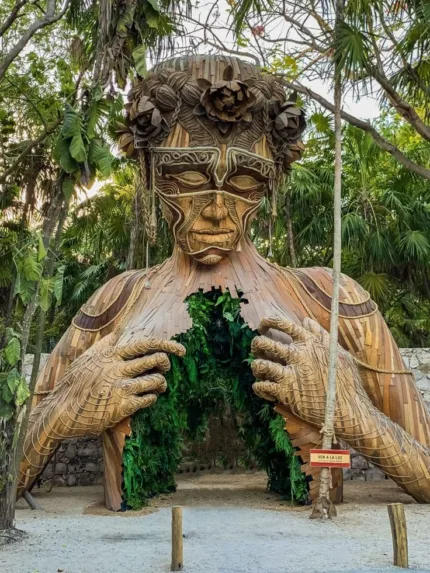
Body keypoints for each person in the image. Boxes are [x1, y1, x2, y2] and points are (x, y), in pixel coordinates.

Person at [19, 55, 430, 510]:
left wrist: (353, 414)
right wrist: (62, 411)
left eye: (244, 181)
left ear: (270, 180)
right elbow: (9, 480)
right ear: (152, 172)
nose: (217, 210)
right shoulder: (117, 300)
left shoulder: (331, 298)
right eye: (188, 176)